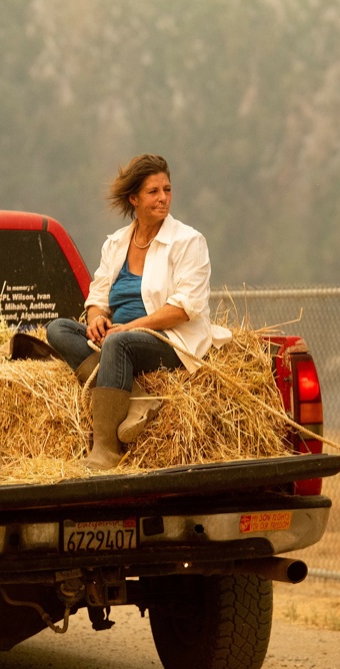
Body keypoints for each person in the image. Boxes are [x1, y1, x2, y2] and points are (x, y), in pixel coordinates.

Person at [46, 154, 229, 470]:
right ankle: (136, 395)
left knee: (118, 343)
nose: (163, 198)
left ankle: (106, 450)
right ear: (134, 198)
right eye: (153, 192)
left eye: (167, 190)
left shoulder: (188, 241)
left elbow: (185, 308)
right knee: (58, 329)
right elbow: (98, 294)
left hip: (172, 341)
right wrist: (97, 320)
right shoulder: (116, 243)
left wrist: (130, 327)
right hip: (122, 336)